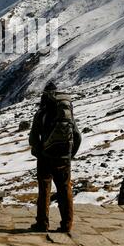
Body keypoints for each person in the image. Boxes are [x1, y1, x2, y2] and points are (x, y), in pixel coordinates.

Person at [29, 81, 81, 233]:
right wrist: (70, 155)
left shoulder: (41, 114)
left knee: (44, 189)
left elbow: (33, 138)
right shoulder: (66, 115)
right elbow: (77, 136)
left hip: (45, 156)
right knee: (65, 189)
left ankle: (42, 223)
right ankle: (67, 224)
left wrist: (39, 152)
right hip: (64, 157)